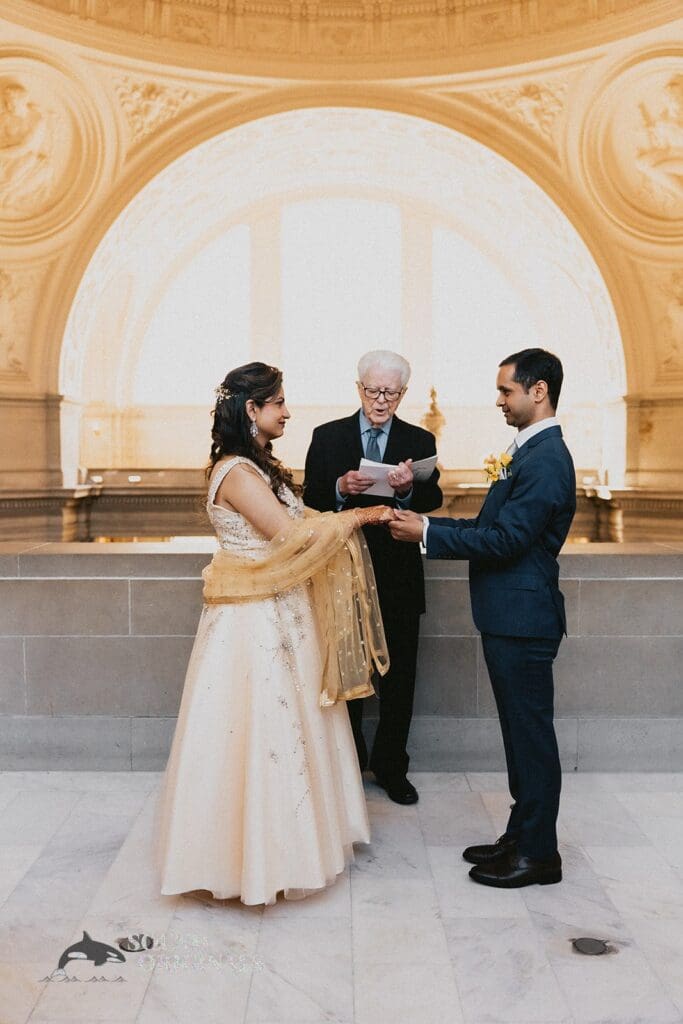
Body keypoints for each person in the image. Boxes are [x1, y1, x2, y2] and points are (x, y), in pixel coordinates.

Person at [154, 362, 392, 906]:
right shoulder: (235, 472)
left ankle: (301, 844)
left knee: (295, 726)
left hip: (281, 611)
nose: (287, 411)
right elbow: (288, 537)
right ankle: (247, 863)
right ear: (251, 410)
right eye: (278, 402)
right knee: (258, 729)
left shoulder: (258, 466)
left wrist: (342, 514)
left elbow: (302, 516)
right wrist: (359, 518)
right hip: (250, 623)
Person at [388, 348, 576, 887]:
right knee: (520, 739)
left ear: (538, 391)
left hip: (525, 619)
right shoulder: (529, 452)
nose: (499, 401)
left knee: (532, 740)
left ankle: (539, 855)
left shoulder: (545, 458)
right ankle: (521, 836)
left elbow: (509, 539)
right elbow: (493, 523)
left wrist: (425, 535)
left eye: (506, 391)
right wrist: (428, 521)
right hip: (509, 617)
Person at [304, 350, 442, 805]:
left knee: (400, 678)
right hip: (344, 574)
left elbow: (435, 495)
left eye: (391, 392)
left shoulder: (419, 439)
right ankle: (350, 765)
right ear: (358, 388)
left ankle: (391, 767)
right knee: (350, 673)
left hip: (399, 576)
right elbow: (307, 500)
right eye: (373, 390)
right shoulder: (327, 437)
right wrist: (342, 488)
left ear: (403, 394)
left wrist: (408, 488)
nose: (381, 400)